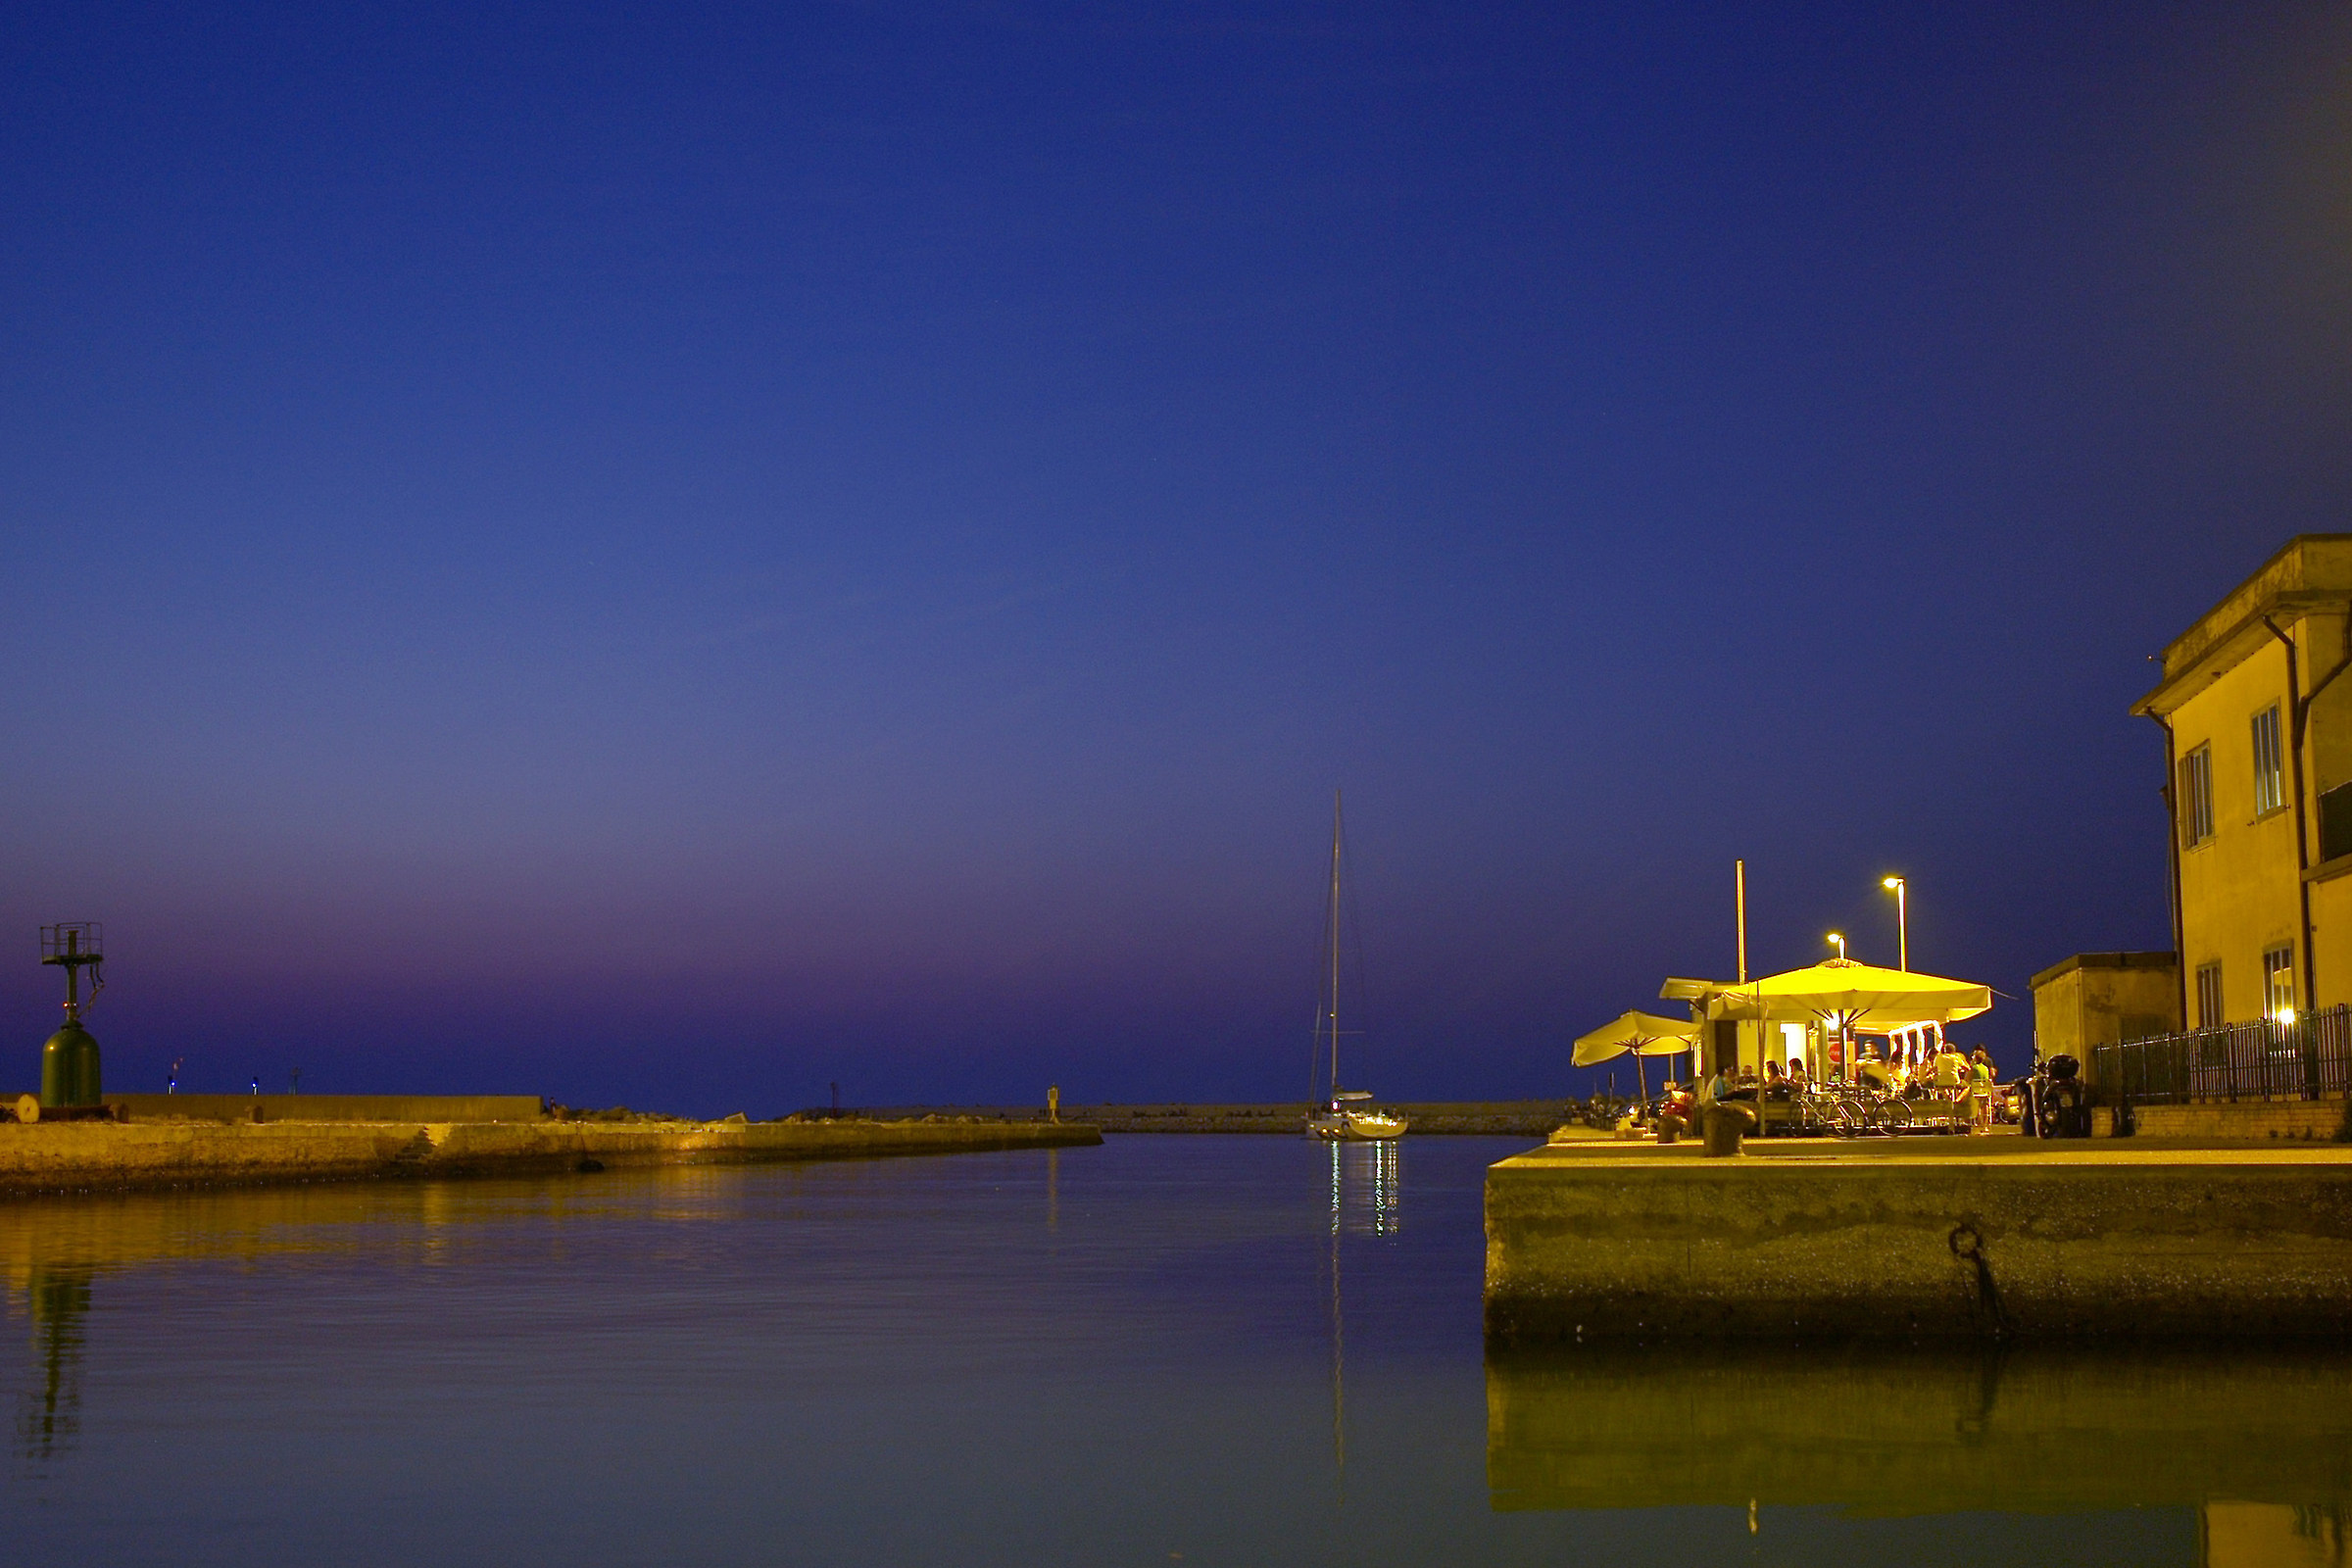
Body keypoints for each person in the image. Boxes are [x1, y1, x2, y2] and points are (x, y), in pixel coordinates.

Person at [1969, 1048, 1995, 1133]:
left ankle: (1977, 1123)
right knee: (1984, 1105)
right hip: (1985, 1091)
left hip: (1976, 1092)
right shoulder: (1985, 1069)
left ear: (1975, 1058)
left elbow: (1967, 1079)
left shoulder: (1973, 1068)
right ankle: (1985, 1125)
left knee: (1975, 1102)